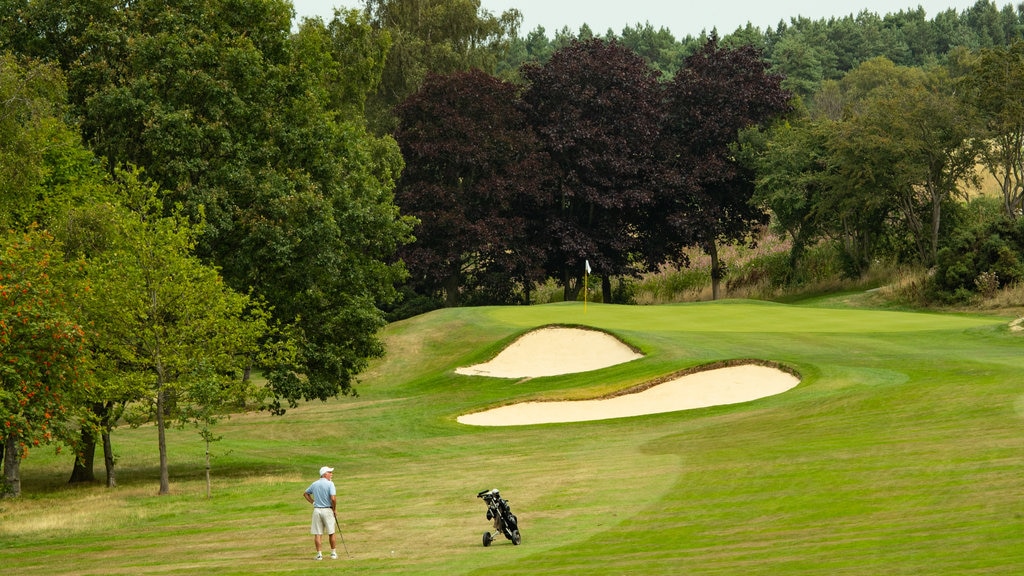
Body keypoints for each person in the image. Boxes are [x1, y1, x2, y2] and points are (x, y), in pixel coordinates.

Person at [303, 466, 338, 560]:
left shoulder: (314, 484)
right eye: (329, 472)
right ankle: (333, 553)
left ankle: (319, 555)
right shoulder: (330, 484)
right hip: (327, 510)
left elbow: (306, 494)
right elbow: (333, 499)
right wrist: (334, 509)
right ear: (324, 474)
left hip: (317, 510)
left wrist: (313, 502)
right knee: (331, 532)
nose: (331, 474)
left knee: (318, 533)